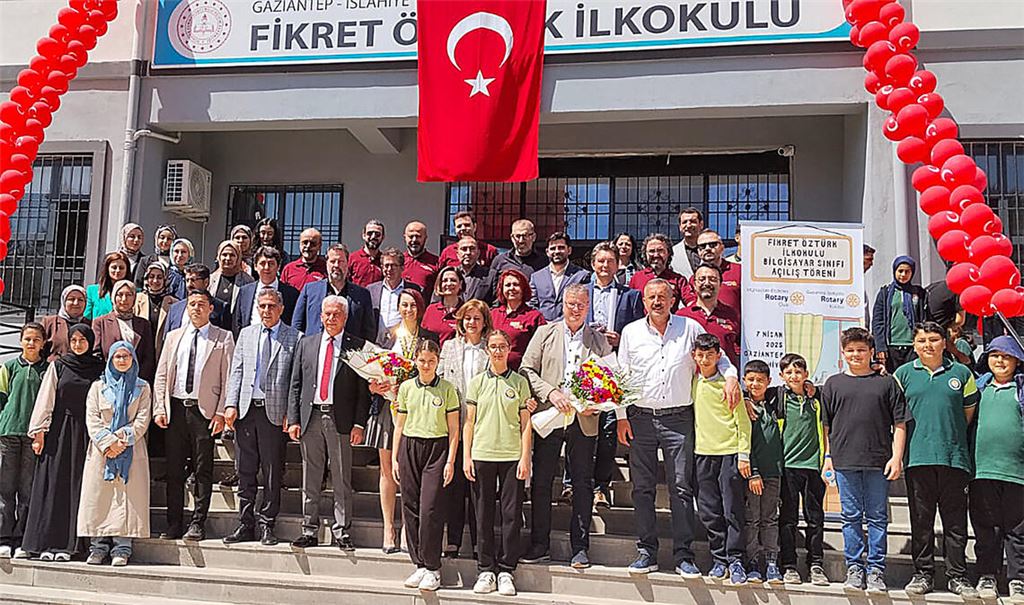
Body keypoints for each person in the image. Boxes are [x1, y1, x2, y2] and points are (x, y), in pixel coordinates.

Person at [616, 279, 739, 577]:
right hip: (640, 419)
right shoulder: (631, 333)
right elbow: (620, 374)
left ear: (673, 300)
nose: (657, 302)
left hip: (679, 419)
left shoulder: (690, 328)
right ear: (643, 302)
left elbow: (716, 357)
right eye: (651, 297)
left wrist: (733, 376)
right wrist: (621, 417)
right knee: (642, 489)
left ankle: (684, 555)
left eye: (663, 297)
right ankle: (647, 551)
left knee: (682, 489)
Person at [520, 285, 612, 569]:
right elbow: (526, 369)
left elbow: (610, 379)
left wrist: (595, 401)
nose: (576, 309)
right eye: (571, 303)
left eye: (581, 304)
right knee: (542, 481)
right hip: (550, 417)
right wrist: (550, 392)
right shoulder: (545, 333)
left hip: (583, 420)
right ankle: (539, 544)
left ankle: (580, 547)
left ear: (588, 306)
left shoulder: (598, 340)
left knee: (583, 483)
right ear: (563, 304)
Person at [819, 327, 909, 594]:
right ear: (843, 353)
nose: (856, 354)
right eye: (850, 350)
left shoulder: (887, 382)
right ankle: (855, 567)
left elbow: (900, 422)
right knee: (850, 517)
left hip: (878, 461)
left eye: (861, 350)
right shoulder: (833, 384)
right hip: (844, 461)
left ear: (872, 352)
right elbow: (826, 425)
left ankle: (876, 569)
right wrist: (827, 456)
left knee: (878, 517)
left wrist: (896, 457)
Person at [894, 321, 979, 597]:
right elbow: (895, 418)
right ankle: (923, 573)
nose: (927, 345)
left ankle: (957, 576)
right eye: (921, 341)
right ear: (914, 345)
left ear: (944, 342)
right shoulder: (903, 375)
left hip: (954, 458)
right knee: (921, 521)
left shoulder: (962, 373)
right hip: (918, 459)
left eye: (933, 339)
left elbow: (967, 415)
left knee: (955, 523)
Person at [287, 296, 370, 551]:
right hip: (310, 416)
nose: (331, 318)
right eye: (327, 314)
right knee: (310, 476)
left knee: (342, 476)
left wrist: (359, 423)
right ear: (321, 316)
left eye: (336, 314)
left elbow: (362, 391)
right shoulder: (307, 343)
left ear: (344, 317)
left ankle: (342, 530)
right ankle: (309, 529)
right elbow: (295, 383)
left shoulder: (355, 347)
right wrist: (293, 419)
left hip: (340, 418)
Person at [152, 289, 235, 542]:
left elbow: (228, 377)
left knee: (203, 469)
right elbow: (162, 375)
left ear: (211, 308)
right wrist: (160, 407)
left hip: (205, 412)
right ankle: (174, 523)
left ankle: (198, 522)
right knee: (175, 470)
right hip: (176, 408)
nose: (196, 308)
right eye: (191, 304)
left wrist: (221, 412)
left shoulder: (223, 337)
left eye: (201, 304)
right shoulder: (174, 337)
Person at [222, 289, 300, 547]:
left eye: (271, 306)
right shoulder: (246, 334)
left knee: (271, 471)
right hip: (246, 411)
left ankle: (268, 523)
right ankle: (245, 523)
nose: (266, 311)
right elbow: (237, 371)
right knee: (245, 470)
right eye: (262, 306)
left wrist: (292, 411)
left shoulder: (294, 337)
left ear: (280, 309)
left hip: (274, 413)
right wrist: (230, 404)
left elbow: (294, 381)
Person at [22, 324, 105, 560]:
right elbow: (46, 398)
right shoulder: (58, 365)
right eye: (74, 340)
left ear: (91, 341)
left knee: (80, 487)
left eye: (83, 340)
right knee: (54, 485)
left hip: (88, 432)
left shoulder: (99, 367)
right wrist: (39, 431)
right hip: (59, 431)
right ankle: (45, 544)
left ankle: (71, 546)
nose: (78, 344)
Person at [367, 288, 438, 553]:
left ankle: (411, 527)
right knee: (387, 470)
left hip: (419, 411)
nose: (407, 309)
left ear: (420, 308)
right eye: (403, 305)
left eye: (412, 305)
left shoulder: (428, 337)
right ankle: (388, 528)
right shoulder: (387, 336)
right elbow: (372, 367)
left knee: (414, 474)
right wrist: (374, 386)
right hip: (388, 408)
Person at [464, 330, 532, 596]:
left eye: (502, 346)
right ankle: (485, 569)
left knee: (511, 515)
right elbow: (469, 422)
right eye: (493, 346)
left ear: (508, 349)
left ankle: (506, 570)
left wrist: (525, 457)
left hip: (511, 456)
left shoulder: (519, 383)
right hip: (481, 454)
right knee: (482, 515)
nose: (498, 351)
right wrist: (466, 456)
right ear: (487, 350)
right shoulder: (477, 382)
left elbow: (526, 424)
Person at [392, 339, 461, 593]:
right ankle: (419, 563)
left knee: (429, 508)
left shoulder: (447, 389)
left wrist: (451, 460)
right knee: (409, 505)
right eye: (422, 360)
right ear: (416, 361)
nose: (427, 365)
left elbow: (454, 429)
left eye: (431, 361)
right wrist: (395, 457)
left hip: (437, 449)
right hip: (410, 446)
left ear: (438, 361)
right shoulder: (407, 388)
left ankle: (433, 567)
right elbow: (399, 424)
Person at [581, 242, 643, 506]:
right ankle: (574, 484)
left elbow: (640, 329)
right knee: (580, 429)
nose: (605, 265)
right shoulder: (580, 293)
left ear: (618, 265)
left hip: (616, 366)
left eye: (610, 261)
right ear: (593, 264)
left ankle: (600, 486)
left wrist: (622, 339)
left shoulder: (631, 296)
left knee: (608, 430)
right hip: (585, 367)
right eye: (600, 261)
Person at [79, 341, 151, 567]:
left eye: (126, 356)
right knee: (100, 498)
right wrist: (109, 442)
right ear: (111, 360)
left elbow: (142, 419)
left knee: (126, 500)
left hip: (131, 449)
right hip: (103, 452)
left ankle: (122, 547)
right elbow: (92, 418)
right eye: (117, 356)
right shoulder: (97, 387)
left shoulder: (142, 388)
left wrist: (122, 440)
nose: (121, 360)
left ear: (133, 360)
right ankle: (98, 547)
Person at [692, 332, 752, 584]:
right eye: (700, 355)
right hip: (702, 455)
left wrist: (744, 454)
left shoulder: (730, 386)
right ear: (694, 356)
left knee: (732, 510)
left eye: (710, 355)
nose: (705, 359)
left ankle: (736, 559)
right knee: (709, 511)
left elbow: (743, 422)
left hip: (729, 454)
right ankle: (719, 559)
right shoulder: (692, 382)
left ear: (719, 356)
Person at [437, 300, 493, 559]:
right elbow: (438, 380)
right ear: (460, 321)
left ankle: (479, 543)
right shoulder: (449, 347)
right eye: (467, 317)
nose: (472, 322)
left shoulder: (490, 350)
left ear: (484, 323)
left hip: (482, 426)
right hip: (453, 426)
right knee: (454, 487)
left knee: (478, 487)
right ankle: (454, 540)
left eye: (477, 318)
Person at [969, 336, 1024, 601]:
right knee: (986, 530)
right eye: (994, 355)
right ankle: (987, 576)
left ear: (1017, 361)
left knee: (1018, 532)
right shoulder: (978, 389)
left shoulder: (1021, 389)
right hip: (982, 472)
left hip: (1017, 473)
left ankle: (1018, 579)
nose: (1000, 361)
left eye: (1006, 356)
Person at [776, 353, 829, 586]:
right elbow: (752, 393)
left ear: (807, 374)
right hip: (787, 467)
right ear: (782, 376)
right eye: (789, 372)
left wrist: (827, 457)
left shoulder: (817, 399)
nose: (794, 376)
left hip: (812, 467)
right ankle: (788, 565)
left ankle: (816, 564)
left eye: (798, 372)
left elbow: (827, 425)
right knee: (787, 519)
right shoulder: (777, 397)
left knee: (815, 518)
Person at [0, 323, 48, 559]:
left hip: (32, 436)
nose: (31, 343)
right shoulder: (8, 367)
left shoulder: (47, 370)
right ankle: (4, 537)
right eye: (27, 339)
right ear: (21, 341)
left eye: (36, 339)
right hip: (8, 434)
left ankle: (22, 538)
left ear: (43, 343)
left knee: (27, 489)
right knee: (5, 489)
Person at [742, 360, 784, 585]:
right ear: (744, 381)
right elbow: (745, 443)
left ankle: (771, 561)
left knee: (769, 519)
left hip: (773, 473)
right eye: (751, 379)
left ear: (769, 381)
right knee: (752, 519)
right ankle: (752, 562)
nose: (755, 384)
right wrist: (754, 473)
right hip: (754, 475)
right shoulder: (743, 407)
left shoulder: (774, 405)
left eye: (760, 380)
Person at [293, 244, 375, 341]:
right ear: (326, 263)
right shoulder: (310, 290)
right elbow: (297, 325)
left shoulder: (362, 294)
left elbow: (369, 332)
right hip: (315, 352)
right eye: (332, 261)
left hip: (349, 353)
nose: (336, 265)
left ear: (347, 264)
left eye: (340, 261)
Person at [91, 280, 157, 383]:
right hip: (108, 381)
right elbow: (96, 354)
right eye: (120, 295)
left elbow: (148, 357)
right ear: (113, 297)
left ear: (134, 298)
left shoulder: (144, 324)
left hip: (137, 382)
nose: (124, 299)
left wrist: (138, 380)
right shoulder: (100, 322)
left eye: (128, 295)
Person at [676, 263, 741, 366]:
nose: (707, 283)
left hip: (724, 379)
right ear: (694, 284)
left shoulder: (732, 315)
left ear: (720, 284)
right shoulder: (681, 316)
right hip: (690, 379)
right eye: (702, 279)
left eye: (713, 279)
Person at [872, 256, 928, 374]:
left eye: (907, 271)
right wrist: (880, 346)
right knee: (892, 378)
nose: (903, 275)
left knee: (912, 377)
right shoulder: (885, 293)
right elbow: (878, 322)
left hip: (912, 345)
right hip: (891, 346)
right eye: (900, 271)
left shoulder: (919, 292)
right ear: (894, 271)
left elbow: (924, 318)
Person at [233, 247, 300, 336]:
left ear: (278, 267)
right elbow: (237, 322)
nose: (267, 268)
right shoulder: (245, 292)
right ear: (255, 266)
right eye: (262, 263)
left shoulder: (291, 294)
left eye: (271, 263)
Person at [490, 269, 546, 370]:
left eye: (516, 284)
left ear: (523, 288)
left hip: (521, 374)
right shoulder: (493, 314)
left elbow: (543, 348)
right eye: (507, 285)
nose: (511, 288)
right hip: (493, 371)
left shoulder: (534, 316)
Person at [529, 232, 589, 322]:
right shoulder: (536, 277)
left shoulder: (581, 276)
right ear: (547, 252)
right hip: (542, 328)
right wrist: (542, 323)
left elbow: (582, 305)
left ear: (569, 250)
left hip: (569, 327)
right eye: (553, 248)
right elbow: (531, 304)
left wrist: (557, 324)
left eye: (561, 248)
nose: (557, 251)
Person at [163, 264, 232, 335]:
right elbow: (167, 340)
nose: (189, 285)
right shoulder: (175, 309)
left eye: (193, 280)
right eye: (187, 280)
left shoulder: (221, 308)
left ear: (206, 282)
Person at [628, 233, 692, 305]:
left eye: (660, 250)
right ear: (645, 254)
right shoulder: (636, 278)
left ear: (668, 253)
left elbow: (691, 302)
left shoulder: (679, 280)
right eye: (651, 251)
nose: (656, 255)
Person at [690, 230, 742, 314]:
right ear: (698, 252)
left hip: (732, 324)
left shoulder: (739, 271)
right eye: (702, 246)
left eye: (713, 245)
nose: (707, 249)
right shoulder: (694, 279)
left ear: (722, 248)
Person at [134, 262, 178, 360]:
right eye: (151, 276)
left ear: (165, 280)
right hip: (141, 353)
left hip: (163, 353)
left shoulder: (173, 302)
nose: (155, 280)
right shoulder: (137, 299)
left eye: (159, 277)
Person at [487, 219, 547, 284]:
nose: (521, 241)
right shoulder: (499, 261)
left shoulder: (544, 261)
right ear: (512, 238)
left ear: (533, 237)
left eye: (525, 236)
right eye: (518, 236)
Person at [41, 285, 88, 361]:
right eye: (71, 299)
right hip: (54, 369)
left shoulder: (89, 324)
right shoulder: (49, 322)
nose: (76, 303)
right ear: (63, 301)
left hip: (81, 370)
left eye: (80, 300)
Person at [209, 240, 255, 317]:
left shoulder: (248, 281)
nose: (228, 258)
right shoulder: (211, 279)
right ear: (219, 257)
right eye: (224, 254)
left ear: (238, 258)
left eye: (232, 255)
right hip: (214, 326)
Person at [422, 266, 464, 346]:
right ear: (440, 285)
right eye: (445, 281)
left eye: (453, 280)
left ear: (460, 284)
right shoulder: (431, 310)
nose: (449, 283)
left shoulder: (466, 310)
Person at [84, 251, 130, 321]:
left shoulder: (136, 293)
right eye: (114, 267)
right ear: (107, 269)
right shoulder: (92, 291)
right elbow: (86, 318)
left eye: (121, 268)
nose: (117, 271)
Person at [402, 221, 440, 295]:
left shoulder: (436, 262)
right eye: (411, 236)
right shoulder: (398, 261)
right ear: (405, 238)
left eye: (418, 236)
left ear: (425, 238)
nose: (414, 240)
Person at [452, 236, 493, 303]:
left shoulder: (490, 275)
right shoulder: (450, 275)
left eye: (472, 248)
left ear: (478, 253)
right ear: (457, 254)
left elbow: (496, 304)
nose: (468, 252)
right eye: (464, 249)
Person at [348, 219, 385, 288]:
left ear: (383, 237)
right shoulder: (352, 258)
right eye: (370, 233)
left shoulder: (385, 260)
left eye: (377, 234)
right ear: (364, 235)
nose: (373, 237)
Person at [670, 207, 704, 278]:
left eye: (693, 221)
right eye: (684, 222)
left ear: (701, 224)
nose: (688, 225)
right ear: (680, 227)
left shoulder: (711, 250)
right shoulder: (672, 252)